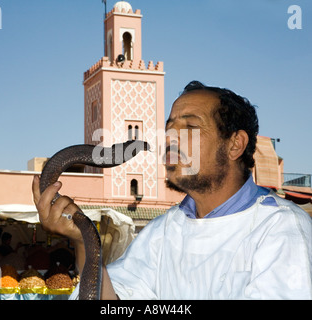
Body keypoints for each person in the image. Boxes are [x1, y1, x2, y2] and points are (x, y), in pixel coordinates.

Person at [32, 81, 312, 299]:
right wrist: (82, 238)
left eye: (190, 126)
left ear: (235, 144)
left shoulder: (280, 228)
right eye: (169, 128)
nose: (169, 138)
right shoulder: (163, 230)